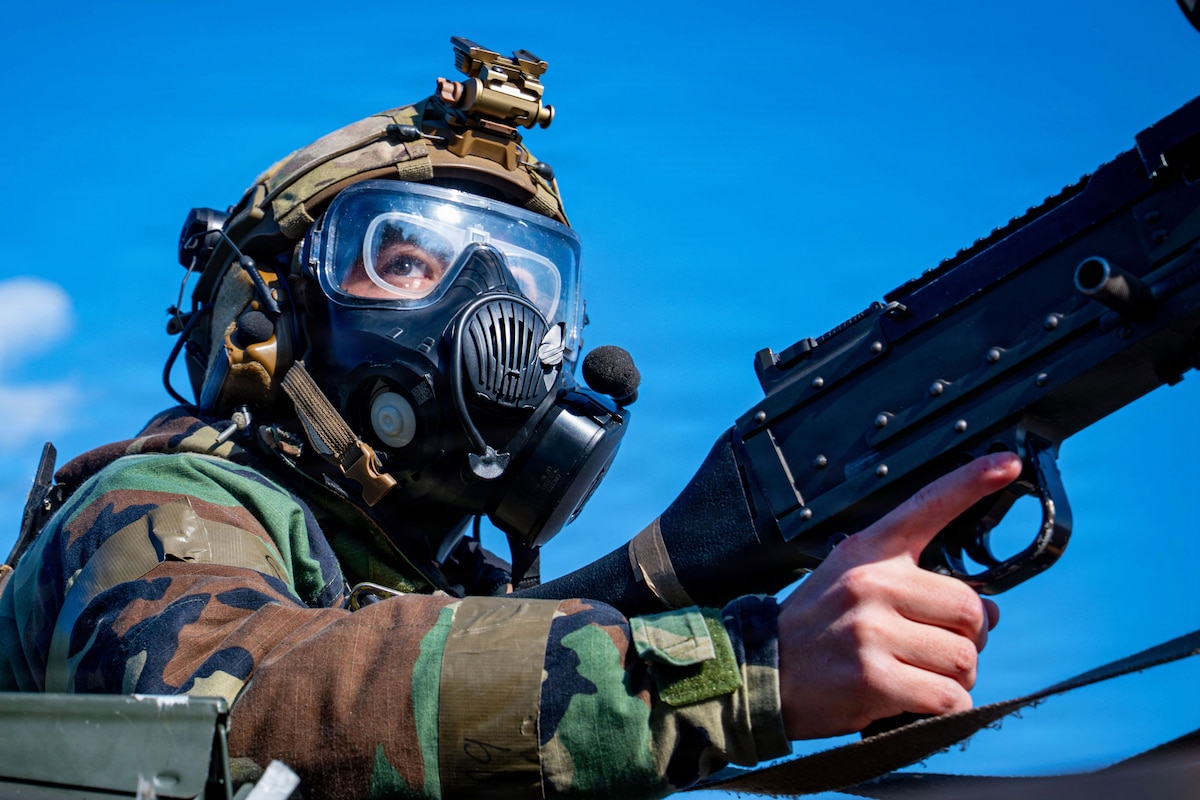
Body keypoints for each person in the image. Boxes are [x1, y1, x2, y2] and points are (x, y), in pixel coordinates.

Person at [0, 39, 1017, 799]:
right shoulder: (157, 504)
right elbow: (251, 704)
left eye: (530, 283)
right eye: (406, 258)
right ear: (266, 319)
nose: (489, 310)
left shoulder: (450, 598)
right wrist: (748, 669)